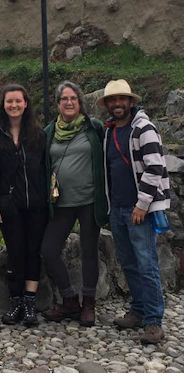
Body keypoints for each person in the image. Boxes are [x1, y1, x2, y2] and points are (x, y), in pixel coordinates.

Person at [99, 79, 170, 344]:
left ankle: (154, 321)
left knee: (146, 264)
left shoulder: (143, 128)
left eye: (121, 100)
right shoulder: (110, 132)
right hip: (117, 207)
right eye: (112, 100)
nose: (117, 104)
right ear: (107, 105)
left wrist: (142, 204)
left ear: (130, 102)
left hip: (138, 208)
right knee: (129, 263)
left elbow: (155, 167)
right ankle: (138, 310)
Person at [41, 81, 108, 327]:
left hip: (90, 201)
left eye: (73, 99)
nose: (69, 103)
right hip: (61, 203)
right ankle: (69, 301)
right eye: (64, 99)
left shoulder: (94, 128)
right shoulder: (49, 132)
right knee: (49, 250)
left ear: (80, 103)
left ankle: (89, 303)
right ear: (58, 104)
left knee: (89, 251)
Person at [0, 84, 47, 326]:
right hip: (10, 205)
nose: (14, 105)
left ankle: (30, 303)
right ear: (3, 105)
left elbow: (46, 168)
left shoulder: (38, 135)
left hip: (37, 204)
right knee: (15, 252)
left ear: (26, 104)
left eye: (18, 101)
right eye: (10, 101)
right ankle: (15, 300)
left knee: (33, 252)